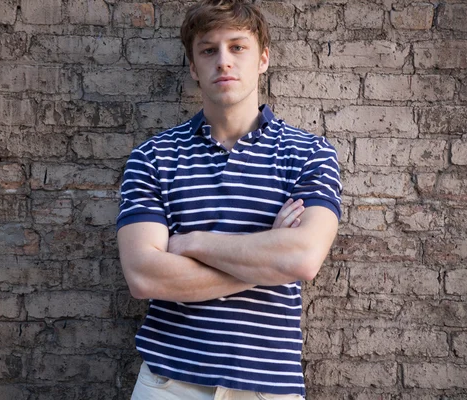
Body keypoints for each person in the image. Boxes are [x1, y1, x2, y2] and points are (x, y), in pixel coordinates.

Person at [116, 0, 342, 398]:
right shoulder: (153, 157)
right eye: (209, 50)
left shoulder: (309, 154)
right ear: (193, 67)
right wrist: (267, 258)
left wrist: (191, 244)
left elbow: (302, 259)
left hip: (268, 387)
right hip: (170, 384)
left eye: (238, 47)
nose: (223, 61)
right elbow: (144, 276)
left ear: (263, 59)